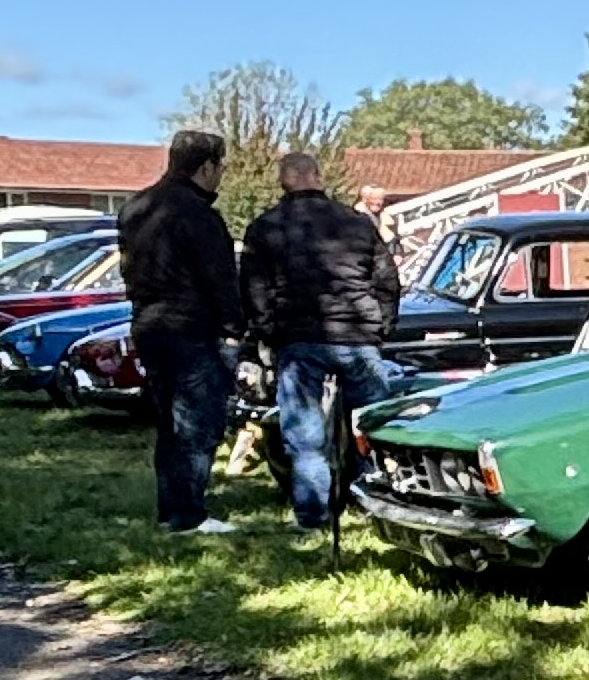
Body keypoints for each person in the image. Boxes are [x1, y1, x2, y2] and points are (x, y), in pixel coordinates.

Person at [235, 150, 400, 529]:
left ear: (283, 181)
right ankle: (377, 508)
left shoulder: (265, 227)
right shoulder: (357, 223)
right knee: (371, 427)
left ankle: (312, 515)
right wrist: (382, 325)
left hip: (299, 337)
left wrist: (268, 332)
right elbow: (387, 279)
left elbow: (254, 290)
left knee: (304, 435)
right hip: (358, 333)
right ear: (319, 177)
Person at [118, 129, 244, 535]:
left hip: (148, 322)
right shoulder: (198, 214)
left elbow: (128, 268)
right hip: (192, 326)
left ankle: (169, 509)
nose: (221, 175)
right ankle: (188, 515)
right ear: (205, 167)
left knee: (169, 424)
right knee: (198, 423)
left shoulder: (136, 207)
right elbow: (219, 277)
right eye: (220, 166)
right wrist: (234, 329)